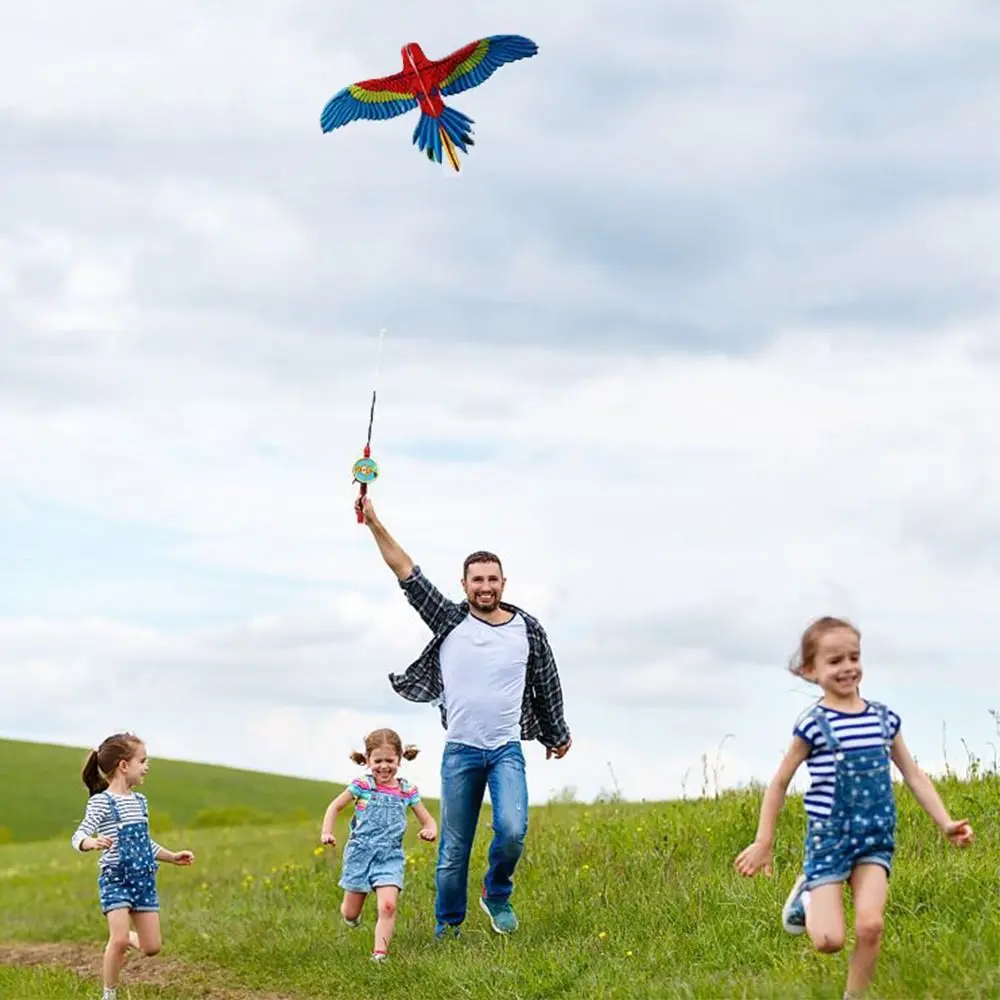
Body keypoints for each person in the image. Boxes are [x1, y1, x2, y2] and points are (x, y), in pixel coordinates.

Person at [355, 494, 572, 939]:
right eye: (477, 580)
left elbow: (547, 684)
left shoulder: (527, 629)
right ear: (465, 583)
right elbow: (405, 571)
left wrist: (557, 733)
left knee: (512, 829)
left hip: (506, 750)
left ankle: (496, 893)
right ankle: (448, 926)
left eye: (493, 579)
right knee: (453, 848)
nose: (485, 587)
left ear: (504, 582)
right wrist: (374, 520)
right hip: (461, 752)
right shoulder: (449, 620)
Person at [733, 616, 974, 1000]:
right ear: (810, 671)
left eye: (853, 657)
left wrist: (944, 822)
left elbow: (913, 774)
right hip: (830, 840)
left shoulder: (882, 719)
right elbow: (779, 782)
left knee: (870, 927)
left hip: (875, 837)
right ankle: (808, 895)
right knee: (828, 941)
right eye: (834, 661)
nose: (847, 667)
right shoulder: (813, 725)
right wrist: (764, 841)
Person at [70, 732, 195, 1000]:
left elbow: (144, 843)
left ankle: (126, 936)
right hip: (116, 879)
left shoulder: (140, 802)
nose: (146, 766)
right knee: (118, 940)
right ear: (123, 766)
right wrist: (91, 843)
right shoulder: (101, 802)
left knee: (152, 947)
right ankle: (109, 994)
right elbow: (78, 836)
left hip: (143, 880)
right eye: (142, 760)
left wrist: (172, 856)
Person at [320, 728, 437, 961]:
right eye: (378, 760)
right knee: (350, 912)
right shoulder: (362, 786)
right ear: (367, 760)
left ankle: (380, 955)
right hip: (360, 854)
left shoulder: (407, 791)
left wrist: (430, 829)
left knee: (388, 906)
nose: (384, 766)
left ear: (400, 759)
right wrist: (326, 832)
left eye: (390, 760)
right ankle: (351, 917)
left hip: (390, 856)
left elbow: (428, 819)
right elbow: (334, 807)